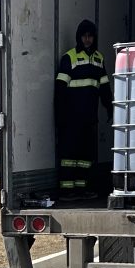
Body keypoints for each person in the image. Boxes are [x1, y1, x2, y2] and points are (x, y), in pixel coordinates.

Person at [54, 19, 113, 200]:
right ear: (79, 37)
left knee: (86, 158)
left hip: (89, 118)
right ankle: (66, 191)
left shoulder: (99, 59)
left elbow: (104, 88)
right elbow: (60, 90)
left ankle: (82, 189)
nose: (87, 39)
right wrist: (60, 116)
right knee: (69, 156)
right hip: (71, 118)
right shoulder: (69, 58)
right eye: (84, 36)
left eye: (90, 36)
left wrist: (110, 108)